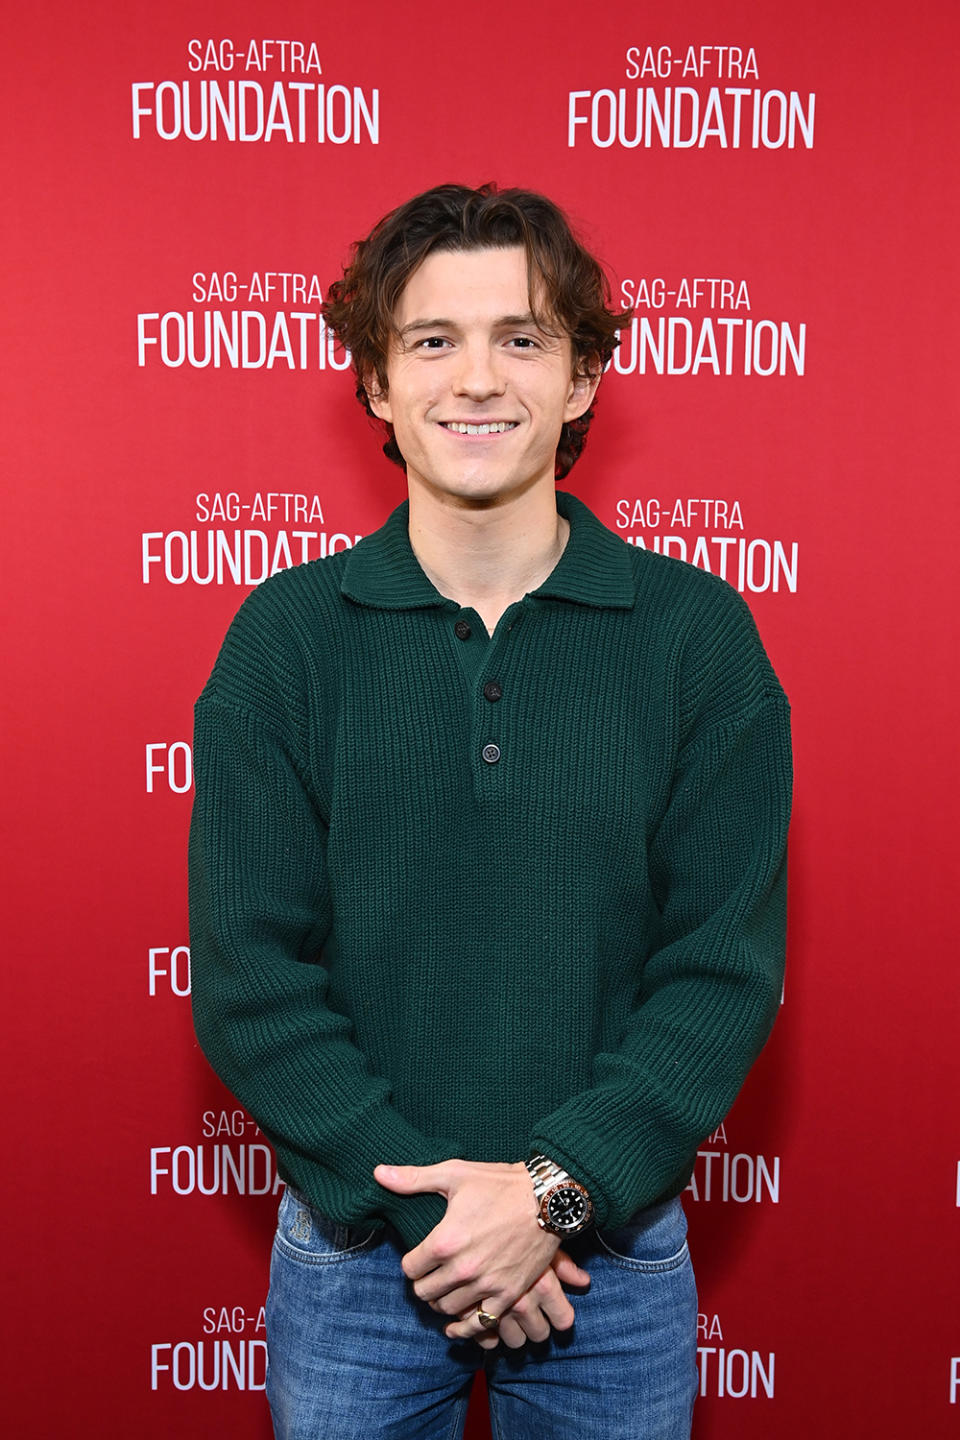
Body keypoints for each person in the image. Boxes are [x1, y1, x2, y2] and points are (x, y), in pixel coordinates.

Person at [189, 183, 792, 1439]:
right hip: (360, 1258)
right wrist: (447, 1223)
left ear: (580, 382)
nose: (478, 379)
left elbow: (719, 975)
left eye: (523, 338)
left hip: (609, 1263)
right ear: (374, 384)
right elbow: (250, 977)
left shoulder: (700, 642)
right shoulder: (283, 643)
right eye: (432, 341)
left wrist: (554, 1198)